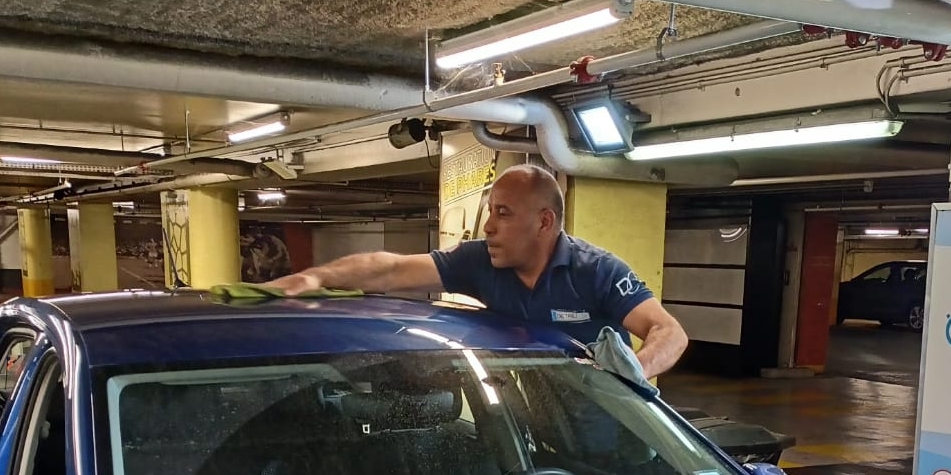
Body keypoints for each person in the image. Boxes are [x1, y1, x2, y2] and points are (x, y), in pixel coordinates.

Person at [261, 164, 690, 379]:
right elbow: (389, 270)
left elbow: (669, 333)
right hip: (536, 427)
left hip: (616, 431)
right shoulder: (479, 261)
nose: (488, 226)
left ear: (543, 222)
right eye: (490, 212)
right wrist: (316, 278)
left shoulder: (595, 270)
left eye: (502, 214)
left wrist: (623, 375)